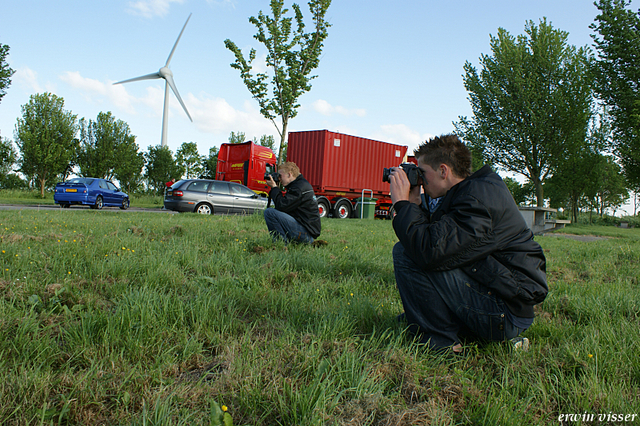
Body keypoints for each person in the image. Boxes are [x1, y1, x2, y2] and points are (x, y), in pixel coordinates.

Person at [388, 134, 547, 353]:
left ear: (444, 171)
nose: (421, 180)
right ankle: (439, 324)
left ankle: (442, 344)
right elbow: (439, 239)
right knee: (418, 253)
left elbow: (427, 250)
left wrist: (403, 205)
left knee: (406, 254)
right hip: (498, 297)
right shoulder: (467, 193)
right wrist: (415, 203)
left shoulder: (477, 200)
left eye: (423, 172)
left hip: (504, 313)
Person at [264, 162, 321, 244]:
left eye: (280, 176)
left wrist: (274, 188)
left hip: (305, 234)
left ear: (289, 175)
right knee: (274, 212)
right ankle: (287, 241)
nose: (279, 179)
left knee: (269, 212)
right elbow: (285, 209)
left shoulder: (298, 188)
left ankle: (280, 244)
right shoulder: (300, 184)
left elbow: (281, 206)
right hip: (306, 232)